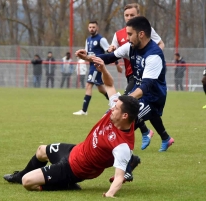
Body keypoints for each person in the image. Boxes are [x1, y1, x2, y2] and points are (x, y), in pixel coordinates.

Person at [4, 57, 140, 198]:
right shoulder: (116, 112)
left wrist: (110, 194)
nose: (112, 108)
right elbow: (110, 85)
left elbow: (119, 177)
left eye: (116, 108)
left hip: (75, 169)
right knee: (41, 151)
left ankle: (65, 184)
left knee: (28, 182)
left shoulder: (122, 146)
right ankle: (19, 176)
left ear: (124, 116)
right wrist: (103, 69)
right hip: (75, 150)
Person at [77, 16, 174, 153]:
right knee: (109, 116)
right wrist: (88, 57)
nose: (127, 38)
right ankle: (103, 151)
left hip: (152, 99)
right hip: (137, 92)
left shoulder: (154, 56)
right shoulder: (131, 47)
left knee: (121, 120)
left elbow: (145, 87)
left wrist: (124, 101)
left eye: (129, 34)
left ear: (141, 34)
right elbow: (110, 57)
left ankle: (121, 160)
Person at [108, 3, 166, 150]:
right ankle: (162, 136)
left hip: (142, 76)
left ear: (138, 15)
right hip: (131, 73)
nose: (129, 18)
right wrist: (106, 54)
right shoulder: (119, 34)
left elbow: (160, 44)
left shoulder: (144, 30)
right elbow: (112, 54)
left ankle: (123, 149)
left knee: (127, 113)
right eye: (126, 15)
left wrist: (152, 61)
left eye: (132, 15)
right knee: (137, 110)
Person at [73, 20, 109, 115]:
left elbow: (109, 51)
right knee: (101, 88)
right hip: (91, 65)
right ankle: (116, 102)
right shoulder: (88, 39)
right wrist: (81, 54)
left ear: (97, 28)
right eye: (90, 27)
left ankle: (84, 110)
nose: (91, 29)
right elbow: (86, 53)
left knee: (88, 85)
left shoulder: (101, 39)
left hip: (96, 65)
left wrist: (117, 64)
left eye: (93, 27)